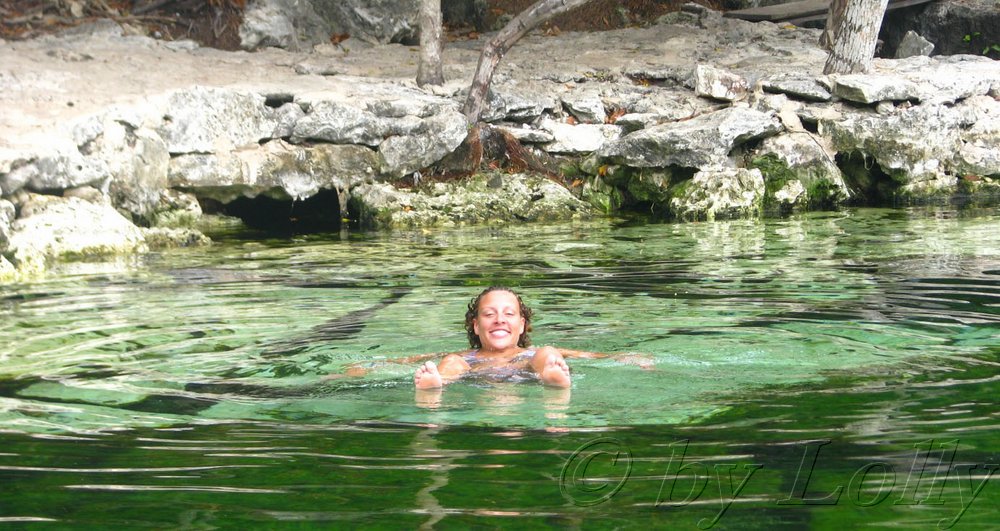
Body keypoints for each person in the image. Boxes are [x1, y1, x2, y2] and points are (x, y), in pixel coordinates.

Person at [413, 286, 574, 389]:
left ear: (521, 325)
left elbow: (590, 356)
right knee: (451, 360)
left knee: (548, 353)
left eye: (509, 314)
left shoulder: (532, 353)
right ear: (476, 325)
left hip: (524, 370)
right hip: (476, 371)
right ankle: (435, 384)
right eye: (489, 314)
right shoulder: (464, 357)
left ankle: (553, 378)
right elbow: (424, 358)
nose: (499, 320)